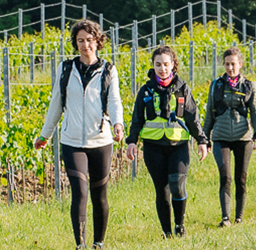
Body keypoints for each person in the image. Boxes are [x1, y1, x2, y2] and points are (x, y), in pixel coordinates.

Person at [32, 19, 125, 249]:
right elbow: (56, 103)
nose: (85, 45)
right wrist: (45, 135)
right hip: (72, 141)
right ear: (75, 43)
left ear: (98, 42)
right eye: (80, 40)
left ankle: (99, 243)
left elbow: (114, 101)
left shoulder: (109, 70)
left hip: (100, 141)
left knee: (99, 195)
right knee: (80, 193)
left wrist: (118, 124)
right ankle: (80, 245)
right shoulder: (65, 69)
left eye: (89, 40)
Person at [122, 45, 211, 238]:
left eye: (166, 64)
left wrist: (202, 141)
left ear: (173, 65)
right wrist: (132, 142)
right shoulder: (145, 91)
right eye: (158, 65)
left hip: (178, 146)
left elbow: (192, 117)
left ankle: (180, 225)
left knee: (177, 186)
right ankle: (166, 232)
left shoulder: (182, 89)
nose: (162, 69)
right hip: (153, 147)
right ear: (153, 66)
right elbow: (137, 119)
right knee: (162, 190)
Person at [204, 48, 256, 226]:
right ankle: (225, 217)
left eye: (234, 64)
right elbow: (209, 113)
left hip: (243, 137)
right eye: (227, 64)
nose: (230, 68)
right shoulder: (216, 85)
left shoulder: (249, 86)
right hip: (220, 136)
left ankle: (239, 216)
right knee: (225, 177)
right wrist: (204, 138)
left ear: (240, 65)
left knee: (241, 178)